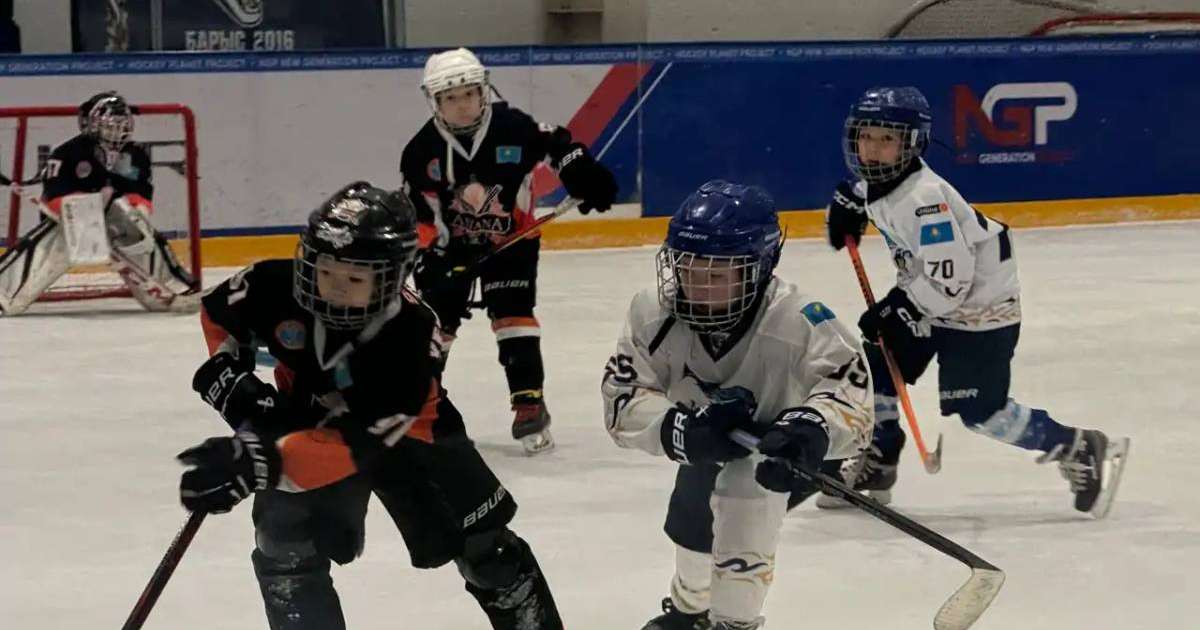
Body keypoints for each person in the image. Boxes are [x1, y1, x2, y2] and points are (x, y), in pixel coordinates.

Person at [179, 182, 563, 629]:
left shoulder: (412, 338)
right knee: (283, 542)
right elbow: (218, 313)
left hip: (412, 434)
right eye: (325, 270)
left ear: (390, 280)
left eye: (355, 279)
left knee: (488, 553)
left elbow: (358, 445)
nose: (335, 288)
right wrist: (235, 378)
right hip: (306, 419)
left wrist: (261, 461)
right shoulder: (272, 284)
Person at [822, 86, 1130, 518]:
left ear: (912, 145)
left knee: (981, 411)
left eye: (886, 139)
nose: (872, 149)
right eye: (866, 136)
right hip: (933, 293)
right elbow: (870, 189)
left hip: (978, 308)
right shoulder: (887, 180)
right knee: (876, 365)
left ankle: (1077, 446)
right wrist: (851, 200)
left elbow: (953, 281)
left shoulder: (924, 200)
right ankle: (881, 457)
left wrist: (901, 309)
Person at [601, 180, 873, 629]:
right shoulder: (652, 312)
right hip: (706, 440)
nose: (697, 286)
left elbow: (852, 400)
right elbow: (623, 399)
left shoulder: (802, 320)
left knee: (745, 510)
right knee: (692, 532)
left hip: (784, 453)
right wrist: (681, 430)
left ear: (760, 266)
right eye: (688, 269)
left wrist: (812, 427)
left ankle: (733, 622)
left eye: (717, 275)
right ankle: (689, 610)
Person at [401, 46, 618, 454]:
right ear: (435, 102)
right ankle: (424, 406)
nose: (462, 106)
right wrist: (427, 258)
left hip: (511, 243)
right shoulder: (421, 151)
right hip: (451, 251)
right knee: (434, 325)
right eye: (451, 98)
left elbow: (559, 144)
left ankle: (528, 404)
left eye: (468, 94)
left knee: (513, 317)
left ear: (484, 91)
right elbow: (420, 218)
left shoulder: (513, 127)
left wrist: (579, 169)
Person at [0, 91, 199, 314]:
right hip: (71, 225)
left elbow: (140, 199)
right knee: (57, 238)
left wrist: (128, 218)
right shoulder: (68, 153)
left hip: (115, 223)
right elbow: (54, 201)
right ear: (93, 123)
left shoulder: (135, 155)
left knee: (138, 225)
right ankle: (5, 293)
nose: (118, 129)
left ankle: (169, 287)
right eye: (111, 124)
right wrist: (90, 212)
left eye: (122, 123)